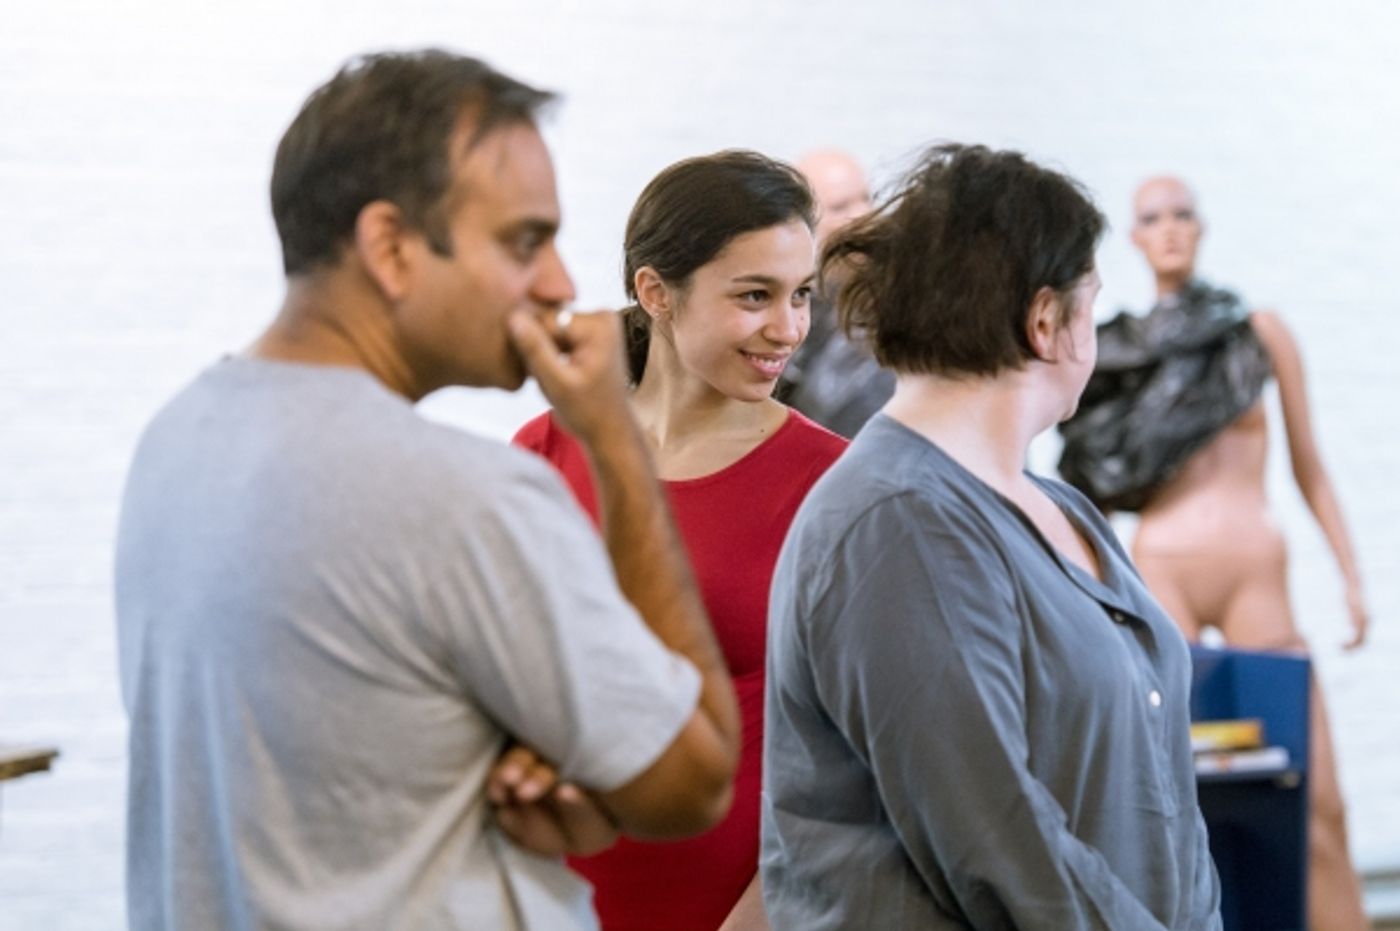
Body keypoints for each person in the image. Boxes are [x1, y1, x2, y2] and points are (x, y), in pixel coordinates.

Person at [113, 49, 742, 931]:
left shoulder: (175, 439)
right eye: (524, 241)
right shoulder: (466, 496)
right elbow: (693, 777)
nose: (561, 284)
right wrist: (616, 441)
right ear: (391, 248)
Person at [763, 144, 1221, 929]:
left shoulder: (1061, 509)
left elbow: (1165, 802)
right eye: (1089, 303)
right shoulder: (895, 521)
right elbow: (1001, 844)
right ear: (1045, 321)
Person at [515, 151, 848, 931]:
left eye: (801, 294)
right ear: (655, 292)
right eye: (755, 295)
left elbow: (852, 769)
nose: (789, 328)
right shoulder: (546, 450)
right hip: (550, 896)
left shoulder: (832, 484)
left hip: (743, 910)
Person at [1058, 175, 1371, 931]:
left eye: (1182, 214)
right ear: (1134, 237)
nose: (1169, 228)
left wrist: (1351, 576)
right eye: (1152, 217)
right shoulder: (1123, 352)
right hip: (1163, 568)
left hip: (1254, 570)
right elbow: (1091, 480)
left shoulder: (1255, 333)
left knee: (1319, 800)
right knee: (1171, 799)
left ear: (1201, 226)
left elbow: (1309, 463)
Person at [775, 148, 893, 437]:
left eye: (867, 199)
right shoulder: (783, 311)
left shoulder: (910, 297)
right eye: (840, 207)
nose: (865, 216)